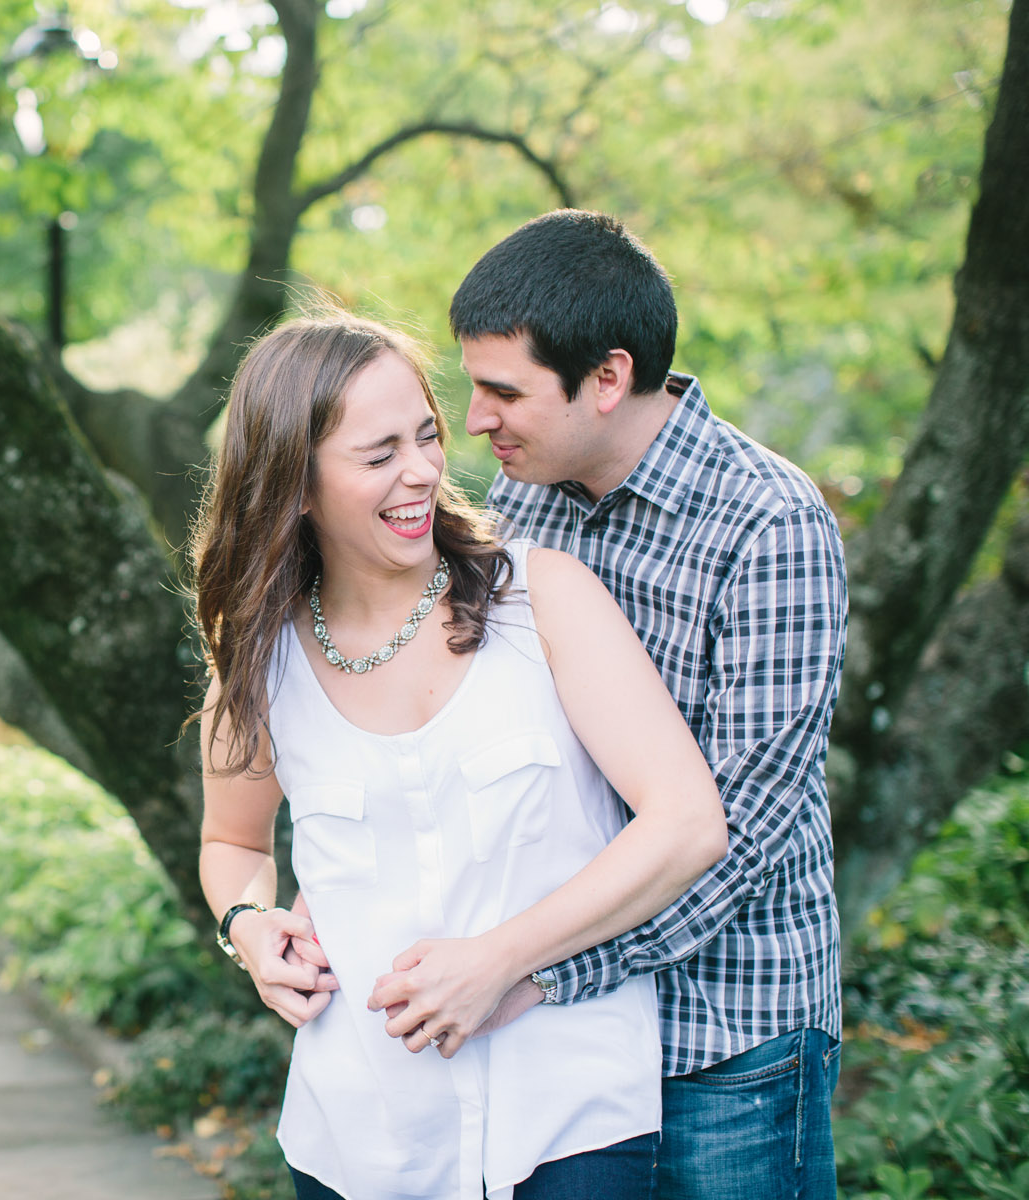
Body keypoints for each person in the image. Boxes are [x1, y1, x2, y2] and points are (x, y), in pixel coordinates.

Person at [192, 311, 727, 1200]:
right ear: (295, 486)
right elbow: (233, 846)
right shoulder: (257, 662)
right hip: (360, 1137)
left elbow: (686, 824)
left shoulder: (545, 599)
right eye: (378, 454)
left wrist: (501, 959)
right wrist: (248, 930)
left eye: (427, 435)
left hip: (571, 1118)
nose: (422, 472)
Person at [423, 209, 848, 1200]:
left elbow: (734, 836)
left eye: (502, 391)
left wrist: (530, 971)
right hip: (565, 1027)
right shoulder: (526, 497)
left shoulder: (770, 523)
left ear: (607, 379)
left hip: (727, 1034)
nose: (477, 420)